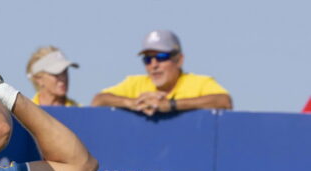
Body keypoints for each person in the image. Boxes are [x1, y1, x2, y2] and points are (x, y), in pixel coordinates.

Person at [91, 30, 232, 115]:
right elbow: (98, 100)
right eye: (147, 59)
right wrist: (131, 103)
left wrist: (171, 105)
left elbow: (224, 101)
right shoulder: (135, 83)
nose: (154, 65)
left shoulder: (199, 82)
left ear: (179, 60)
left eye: (161, 57)